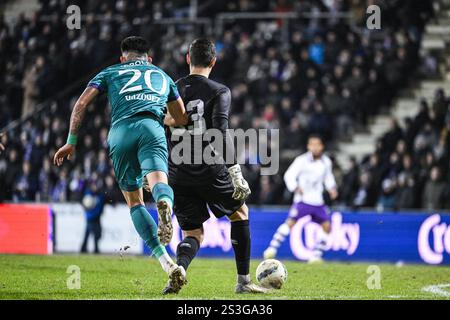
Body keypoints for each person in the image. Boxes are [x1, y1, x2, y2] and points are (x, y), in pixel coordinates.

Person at [53, 36, 188, 292]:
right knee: (159, 182)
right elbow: (181, 117)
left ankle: (168, 264)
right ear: (149, 59)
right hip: (152, 127)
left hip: (120, 132)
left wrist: (71, 141)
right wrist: (165, 118)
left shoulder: (111, 71)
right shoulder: (162, 75)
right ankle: (165, 204)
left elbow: (81, 103)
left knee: (135, 201)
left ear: (122, 58)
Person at [149, 38, 267, 294]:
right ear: (214, 61)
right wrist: (235, 172)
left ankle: (177, 269)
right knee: (241, 213)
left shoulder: (172, 88)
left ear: (187, 59)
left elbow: (159, 129)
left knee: (193, 233)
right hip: (209, 169)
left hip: (178, 172)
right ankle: (244, 282)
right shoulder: (219, 91)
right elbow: (220, 133)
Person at [264, 135, 338, 263]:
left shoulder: (326, 162)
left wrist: (332, 188)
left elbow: (328, 177)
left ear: (322, 147)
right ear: (308, 146)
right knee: (291, 222)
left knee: (327, 226)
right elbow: (289, 175)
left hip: (317, 200)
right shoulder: (301, 160)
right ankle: (271, 249)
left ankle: (316, 256)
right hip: (303, 200)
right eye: (312, 145)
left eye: (317, 145)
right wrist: (295, 187)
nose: (315, 147)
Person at [80, 181, 104, 254]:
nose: (94, 187)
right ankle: (85, 248)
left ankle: (93, 249)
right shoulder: (88, 194)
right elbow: (84, 204)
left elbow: (101, 206)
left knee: (97, 234)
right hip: (90, 217)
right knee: (88, 234)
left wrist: (98, 213)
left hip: (96, 217)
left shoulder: (100, 195)